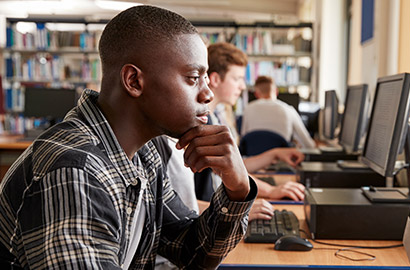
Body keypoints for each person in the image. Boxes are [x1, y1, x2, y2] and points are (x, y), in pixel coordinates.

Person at [0, 5, 257, 269]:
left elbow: (192, 251)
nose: (208, 94)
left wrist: (237, 190)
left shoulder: (143, 156)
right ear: (133, 81)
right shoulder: (74, 169)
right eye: (193, 78)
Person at [194, 42, 305, 205]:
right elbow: (227, 171)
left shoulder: (214, 116)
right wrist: (270, 191)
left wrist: (274, 154)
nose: (243, 86)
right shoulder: (202, 122)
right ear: (215, 79)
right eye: (237, 79)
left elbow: (234, 166)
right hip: (208, 212)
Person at [242, 75, 316, 148]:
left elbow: (243, 139)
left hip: (254, 159)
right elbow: (308, 144)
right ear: (276, 91)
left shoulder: (248, 109)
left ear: (256, 94)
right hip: (281, 158)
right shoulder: (289, 110)